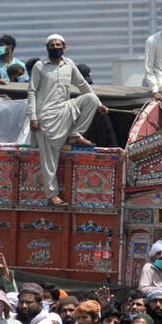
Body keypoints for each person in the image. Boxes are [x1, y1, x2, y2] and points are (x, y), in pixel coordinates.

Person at [28, 34, 108, 206]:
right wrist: (33, 117)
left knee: (90, 99)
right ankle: (52, 195)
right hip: (45, 116)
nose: (55, 48)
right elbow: (32, 92)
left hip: (63, 109)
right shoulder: (40, 66)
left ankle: (75, 134)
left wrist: (99, 104)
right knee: (49, 159)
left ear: (64, 47)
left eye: (58, 45)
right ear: (47, 48)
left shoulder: (69, 64)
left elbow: (83, 85)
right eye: (52, 45)